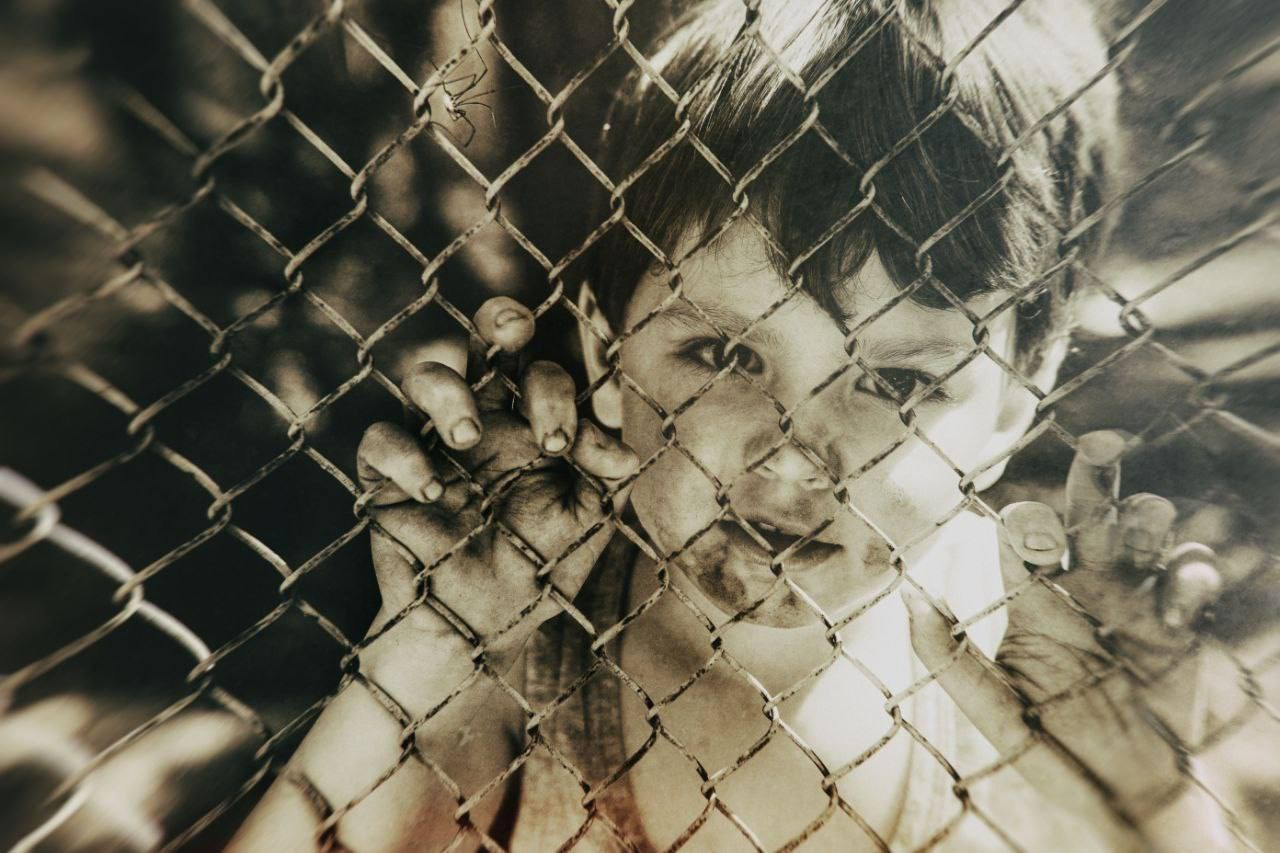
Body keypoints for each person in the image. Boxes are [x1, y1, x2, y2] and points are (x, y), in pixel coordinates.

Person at [231, 0, 1246, 849]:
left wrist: (1156, 808)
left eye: (897, 381)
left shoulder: (1046, 680)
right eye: (724, 356)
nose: (794, 455)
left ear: (1016, 400)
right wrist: (425, 654)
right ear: (606, 357)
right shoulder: (519, 657)